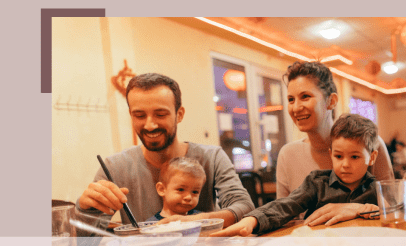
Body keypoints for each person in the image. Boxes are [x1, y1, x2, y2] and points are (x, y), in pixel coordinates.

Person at [77, 73, 254, 229]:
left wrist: (194, 222)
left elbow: (244, 207)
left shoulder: (212, 157)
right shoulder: (114, 167)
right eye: (139, 115)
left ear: (179, 114)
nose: (150, 125)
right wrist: (84, 211)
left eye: (160, 114)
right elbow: (86, 243)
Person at [211, 114, 380, 236]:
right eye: (338, 156)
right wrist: (252, 220)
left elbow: (397, 212)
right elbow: (286, 205)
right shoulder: (317, 182)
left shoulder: (376, 188)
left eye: (355, 157)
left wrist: (376, 210)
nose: (345, 164)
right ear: (331, 154)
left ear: (372, 157)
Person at [276, 61, 394, 201]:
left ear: (331, 101)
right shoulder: (287, 154)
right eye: (291, 99)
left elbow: (392, 206)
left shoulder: (370, 143)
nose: (296, 108)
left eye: (305, 97)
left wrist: (354, 210)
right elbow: (283, 214)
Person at [146, 157, 205, 222]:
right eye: (181, 189)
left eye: (195, 192)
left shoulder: (202, 219)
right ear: (161, 189)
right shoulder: (151, 225)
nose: (188, 197)